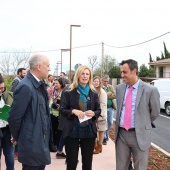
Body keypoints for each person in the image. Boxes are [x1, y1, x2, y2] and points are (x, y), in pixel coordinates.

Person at [8, 54, 52, 170]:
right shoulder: (26, 86)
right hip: (31, 143)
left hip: (38, 142)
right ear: (39, 67)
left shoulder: (39, 85)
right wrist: (19, 137)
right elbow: (14, 117)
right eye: (47, 66)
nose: (49, 69)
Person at [115, 59, 160, 170]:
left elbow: (155, 112)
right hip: (121, 135)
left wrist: (142, 123)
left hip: (139, 135)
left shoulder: (150, 90)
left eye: (124, 72)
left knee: (140, 167)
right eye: (121, 72)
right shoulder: (119, 89)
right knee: (120, 167)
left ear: (134, 71)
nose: (122, 75)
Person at [60, 65, 101, 170]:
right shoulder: (68, 91)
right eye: (83, 73)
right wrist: (73, 111)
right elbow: (62, 109)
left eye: (87, 74)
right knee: (71, 163)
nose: (85, 76)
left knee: (87, 164)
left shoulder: (93, 92)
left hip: (89, 131)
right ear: (78, 75)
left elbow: (98, 110)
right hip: (72, 131)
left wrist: (93, 113)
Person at [10, 67, 27, 160]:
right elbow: (13, 93)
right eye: (24, 73)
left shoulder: (22, 81)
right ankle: (16, 153)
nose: (25, 75)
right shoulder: (16, 81)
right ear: (19, 73)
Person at [0, 75, 15, 170]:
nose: (1, 90)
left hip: (7, 129)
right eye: (0, 88)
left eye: (3, 88)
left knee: (9, 155)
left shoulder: (8, 95)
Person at [49, 78, 66, 159]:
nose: (55, 85)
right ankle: (58, 149)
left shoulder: (64, 92)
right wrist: (53, 105)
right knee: (56, 131)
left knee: (61, 132)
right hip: (53, 113)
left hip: (61, 114)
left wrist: (60, 107)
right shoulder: (53, 92)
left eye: (57, 84)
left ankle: (59, 149)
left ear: (61, 84)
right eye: (54, 83)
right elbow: (50, 101)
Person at [93, 76, 107, 154]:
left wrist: (100, 115)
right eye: (95, 81)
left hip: (101, 114)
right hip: (93, 114)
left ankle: (100, 146)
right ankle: (94, 144)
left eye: (97, 81)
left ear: (100, 82)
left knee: (101, 130)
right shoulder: (92, 90)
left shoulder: (102, 92)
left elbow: (103, 104)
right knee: (94, 129)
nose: (96, 82)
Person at [102, 75, 116, 145]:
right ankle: (104, 137)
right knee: (104, 122)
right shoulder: (100, 88)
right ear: (102, 81)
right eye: (105, 81)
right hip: (103, 109)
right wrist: (110, 94)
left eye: (107, 81)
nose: (106, 83)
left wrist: (105, 95)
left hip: (110, 108)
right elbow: (101, 95)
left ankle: (106, 133)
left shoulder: (110, 87)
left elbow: (115, 95)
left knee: (110, 122)